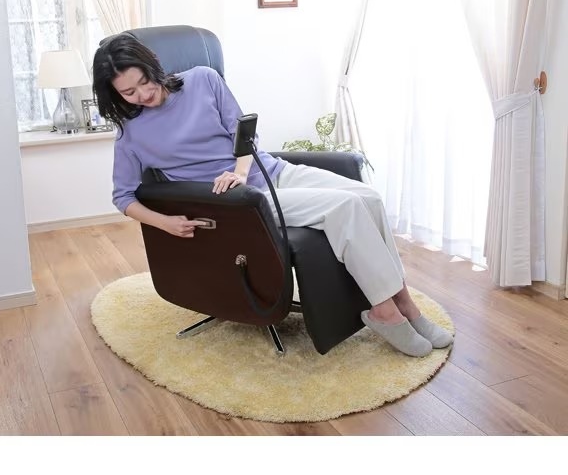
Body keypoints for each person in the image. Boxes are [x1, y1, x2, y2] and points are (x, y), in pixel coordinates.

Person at [92, 34, 453, 357]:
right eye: (129, 93)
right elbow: (123, 196)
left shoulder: (203, 79)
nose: (143, 95)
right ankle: (385, 312)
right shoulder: (131, 133)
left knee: (368, 197)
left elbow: (244, 137)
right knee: (346, 207)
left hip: (271, 172)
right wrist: (165, 222)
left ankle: (403, 301)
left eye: (144, 82)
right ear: (115, 95)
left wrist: (239, 172)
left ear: (153, 65)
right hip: (240, 205)